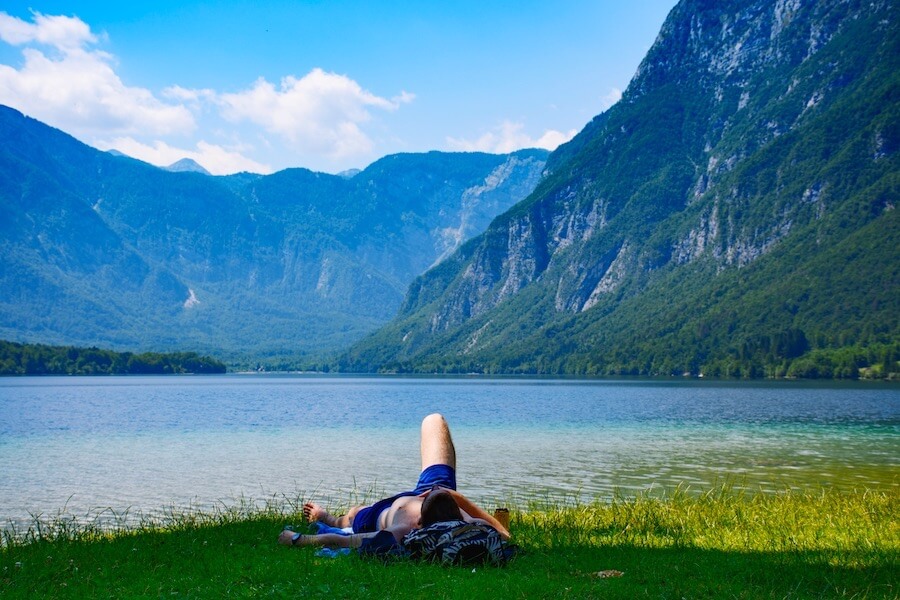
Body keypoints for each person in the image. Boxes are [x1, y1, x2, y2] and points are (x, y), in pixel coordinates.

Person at [278, 413, 510, 549]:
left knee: (352, 515)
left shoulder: (404, 529)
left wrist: (301, 539)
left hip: (385, 513)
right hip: (432, 486)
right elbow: (505, 535)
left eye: (436, 499)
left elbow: (350, 540)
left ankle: (324, 515)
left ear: (420, 522)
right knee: (434, 420)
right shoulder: (469, 523)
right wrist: (454, 497)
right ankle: (439, 491)